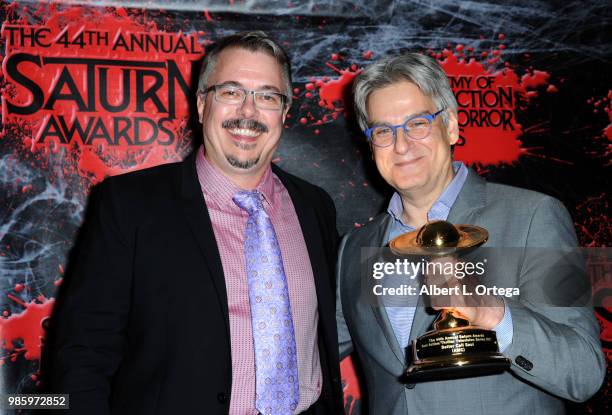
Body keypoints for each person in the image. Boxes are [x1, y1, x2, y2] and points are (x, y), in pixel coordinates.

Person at [50, 31, 343, 415]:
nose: (249, 112)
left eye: (268, 96)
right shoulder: (129, 205)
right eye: (231, 92)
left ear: (285, 113)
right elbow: (82, 355)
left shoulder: (315, 206)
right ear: (203, 104)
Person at [335, 53, 605, 414]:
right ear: (371, 145)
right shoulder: (354, 249)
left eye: (417, 124)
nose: (401, 145)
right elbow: (311, 353)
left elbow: (583, 372)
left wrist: (494, 314)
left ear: (450, 125)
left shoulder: (531, 217)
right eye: (384, 131)